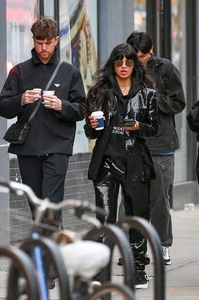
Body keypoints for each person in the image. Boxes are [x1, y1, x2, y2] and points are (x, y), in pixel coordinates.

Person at [0, 17, 86, 222]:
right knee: (37, 207)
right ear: (33, 40)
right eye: (39, 42)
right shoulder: (19, 71)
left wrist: (62, 106)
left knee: (50, 207)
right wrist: (21, 99)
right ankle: (48, 248)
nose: (43, 47)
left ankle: (49, 250)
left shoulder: (69, 73)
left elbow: (82, 109)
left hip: (57, 147)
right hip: (27, 149)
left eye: (48, 42)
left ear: (56, 40)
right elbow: (2, 106)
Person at [84, 43, 158, 289]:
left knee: (137, 218)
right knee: (104, 218)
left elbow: (154, 128)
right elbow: (89, 131)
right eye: (119, 62)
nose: (124, 66)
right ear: (113, 65)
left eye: (128, 62)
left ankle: (138, 268)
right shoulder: (99, 92)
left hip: (136, 163)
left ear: (134, 64)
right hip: (106, 162)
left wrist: (138, 126)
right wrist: (94, 126)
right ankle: (100, 268)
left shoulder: (147, 93)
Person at [126, 31, 186, 265]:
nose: (138, 60)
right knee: (130, 198)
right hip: (132, 143)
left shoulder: (166, 69)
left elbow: (179, 102)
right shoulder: (123, 66)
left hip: (160, 145)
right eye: (135, 55)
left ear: (151, 51)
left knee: (159, 200)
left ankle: (162, 244)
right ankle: (131, 245)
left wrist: (154, 99)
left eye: (142, 56)